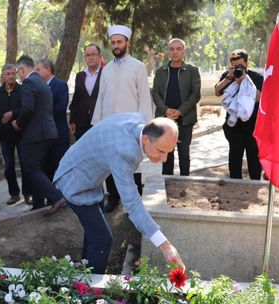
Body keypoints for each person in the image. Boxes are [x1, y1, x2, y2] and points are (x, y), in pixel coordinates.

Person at [54, 113, 186, 274]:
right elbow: (132, 205)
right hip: (74, 182)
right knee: (102, 239)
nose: (164, 159)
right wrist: (165, 246)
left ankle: (84, 271)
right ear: (145, 139)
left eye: (168, 152)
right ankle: (89, 292)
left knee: (94, 234)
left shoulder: (137, 120)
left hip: (90, 177)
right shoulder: (124, 153)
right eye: (161, 151)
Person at [92, 25, 152, 213]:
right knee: (110, 163)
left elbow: (144, 97)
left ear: (127, 42)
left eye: (119, 42)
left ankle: (135, 204)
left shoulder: (138, 67)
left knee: (132, 165)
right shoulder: (106, 69)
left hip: (131, 127)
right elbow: (101, 96)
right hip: (109, 126)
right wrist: (97, 125)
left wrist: (144, 127)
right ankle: (114, 197)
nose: (116, 45)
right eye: (113, 43)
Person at [12, 55, 66, 213]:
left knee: (31, 169)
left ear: (22, 69)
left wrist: (18, 123)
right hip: (47, 132)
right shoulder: (41, 81)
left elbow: (28, 109)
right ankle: (38, 204)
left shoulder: (29, 82)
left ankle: (57, 197)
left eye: (17, 72)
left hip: (36, 134)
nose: (18, 76)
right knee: (39, 168)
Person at [151, 38, 201, 176]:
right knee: (166, 153)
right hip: (164, 119)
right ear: (168, 51)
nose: (175, 52)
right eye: (172, 49)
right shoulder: (161, 71)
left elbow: (195, 94)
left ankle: (185, 181)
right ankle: (167, 182)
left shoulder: (192, 70)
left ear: (183, 51)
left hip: (185, 119)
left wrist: (180, 111)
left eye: (178, 49)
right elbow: (155, 93)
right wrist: (165, 110)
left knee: (184, 153)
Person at [214, 49, 263, 180]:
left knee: (253, 154)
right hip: (233, 123)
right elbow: (217, 92)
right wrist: (229, 78)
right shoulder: (228, 75)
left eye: (240, 65)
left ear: (247, 63)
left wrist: (243, 81)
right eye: (234, 66)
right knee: (235, 153)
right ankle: (235, 181)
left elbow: (260, 98)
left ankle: (255, 181)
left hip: (252, 123)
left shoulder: (256, 77)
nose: (237, 68)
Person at [0, 63, 32, 205]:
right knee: (8, 166)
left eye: (13, 74)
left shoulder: (23, 90)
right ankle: (14, 194)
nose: (10, 77)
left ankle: (28, 194)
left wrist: (13, 113)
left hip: (22, 134)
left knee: (25, 164)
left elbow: (28, 108)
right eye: (8, 74)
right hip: (4, 137)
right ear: (3, 75)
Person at [35, 58, 70, 176]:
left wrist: (40, 114)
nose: (36, 73)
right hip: (43, 137)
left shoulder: (61, 85)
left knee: (60, 168)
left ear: (48, 69)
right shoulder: (38, 87)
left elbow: (60, 108)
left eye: (38, 69)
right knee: (46, 169)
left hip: (58, 135)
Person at [69, 43, 102, 140]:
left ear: (99, 56)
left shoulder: (106, 74)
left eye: (93, 54)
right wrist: (72, 120)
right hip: (81, 124)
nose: (90, 57)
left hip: (100, 122)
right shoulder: (80, 76)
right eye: (87, 55)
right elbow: (76, 99)